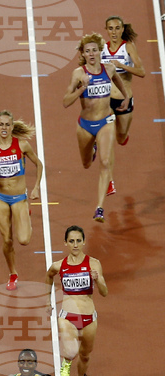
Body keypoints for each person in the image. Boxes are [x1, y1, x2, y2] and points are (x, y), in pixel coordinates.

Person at [63, 33, 131, 222]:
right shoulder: (78, 74)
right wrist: (81, 88)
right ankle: (92, 148)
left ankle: (99, 208)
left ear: (100, 51)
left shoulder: (108, 69)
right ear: (83, 54)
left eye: (94, 50)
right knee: (86, 164)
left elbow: (118, 80)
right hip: (85, 126)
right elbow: (65, 102)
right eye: (87, 51)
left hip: (106, 121)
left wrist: (125, 97)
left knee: (105, 161)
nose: (92, 54)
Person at [0, 111, 44, 290]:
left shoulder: (22, 145)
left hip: (20, 197)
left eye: (7, 124)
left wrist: (36, 187)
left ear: (12, 127)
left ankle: (26, 214)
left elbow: (39, 164)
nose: (4, 128)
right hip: (0, 197)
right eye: (1, 124)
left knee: (24, 240)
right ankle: (13, 274)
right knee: (7, 240)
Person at [45, 225, 108, 376]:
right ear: (65, 243)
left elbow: (104, 292)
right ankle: (67, 361)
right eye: (71, 241)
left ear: (84, 242)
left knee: (85, 356)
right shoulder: (58, 266)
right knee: (72, 351)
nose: (75, 244)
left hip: (89, 318)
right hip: (68, 316)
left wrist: (98, 279)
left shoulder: (93, 264)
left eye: (78, 241)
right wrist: (47, 300)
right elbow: (49, 276)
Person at [102, 16, 145, 148]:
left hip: (123, 100)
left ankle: (121, 133)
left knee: (121, 138)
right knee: (102, 128)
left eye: (117, 28)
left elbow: (141, 72)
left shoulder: (128, 47)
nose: (114, 32)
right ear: (106, 30)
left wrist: (122, 66)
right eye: (110, 29)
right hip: (105, 99)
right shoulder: (102, 48)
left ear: (122, 30)